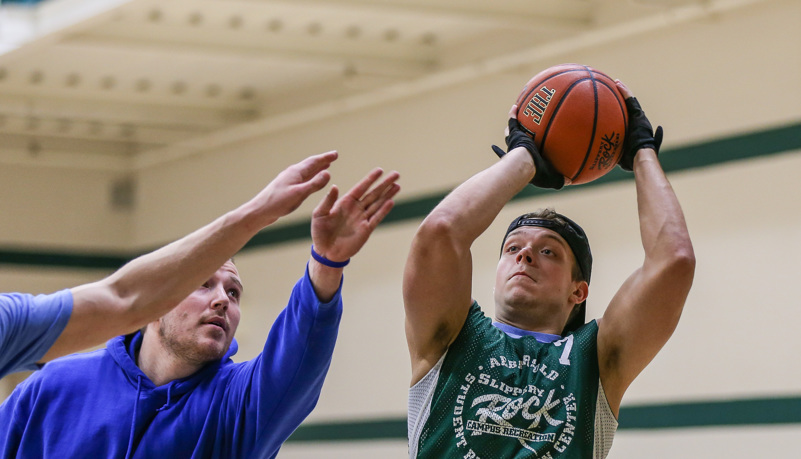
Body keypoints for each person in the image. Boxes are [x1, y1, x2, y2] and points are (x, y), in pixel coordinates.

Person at [0, 151, 400, 458]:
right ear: (155, 303)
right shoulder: (50, 388)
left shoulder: (239, 403)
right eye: (202, 284)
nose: (222, 300)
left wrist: (326, 264)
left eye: (234, 292)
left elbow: (300, 357)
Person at [404, 81, 694, 458]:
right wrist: (522, 160)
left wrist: (642, 152)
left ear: (579, 291)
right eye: (512, 248)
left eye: (548, 252)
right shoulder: (453, 338)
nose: (525, 256)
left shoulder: (596, 360)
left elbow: (674, 261)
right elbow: (441, 233)